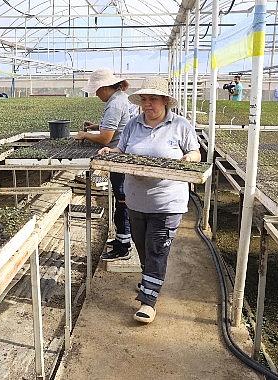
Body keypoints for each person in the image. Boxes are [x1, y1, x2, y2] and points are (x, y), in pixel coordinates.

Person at [97, 76, 201, 324]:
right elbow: (122, 150)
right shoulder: (133, 125)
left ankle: (148, 301)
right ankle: (150, 280)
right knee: (141, 245)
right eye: (144, 99)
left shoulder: (180, 125)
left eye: (152, 99)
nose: (147, 104)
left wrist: (190, 160)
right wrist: (110, 152)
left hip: (168, 201)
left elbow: (195, 152)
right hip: (136, 200)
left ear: (165, 101)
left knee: (156, 249)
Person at [75, 67, 132, 260]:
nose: (96, 94)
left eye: (97, 90)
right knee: (121, 198)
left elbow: (106, 138)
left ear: (105, 87)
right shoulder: (120, 98)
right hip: (121, 155)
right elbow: (114, 126)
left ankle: (123, 246)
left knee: (123, 200)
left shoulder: (115, 104)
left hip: (119, 157)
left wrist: (85, 135)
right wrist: (95, 127)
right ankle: (121, 238)